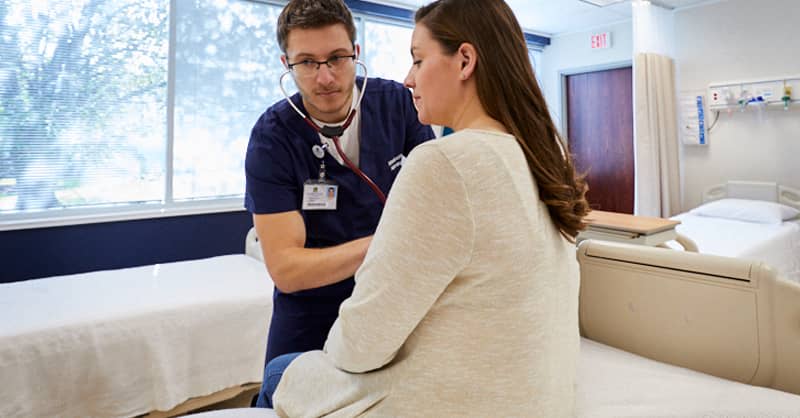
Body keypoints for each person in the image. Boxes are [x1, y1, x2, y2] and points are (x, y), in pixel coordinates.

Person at [262, 0, 589, 416]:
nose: (409, 78)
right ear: (287, 64)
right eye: (306, 63)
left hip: (443, 395)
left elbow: (359, 347)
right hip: (537, 394)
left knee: (279, 374)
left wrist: (393, 251)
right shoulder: (539, 156)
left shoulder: (443, 160)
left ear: (465, 60)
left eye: (418, 60)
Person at [244, 0, 434, 405]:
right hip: (309, 307)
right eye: (307, 63)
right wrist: (387, 244)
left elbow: (434, 207)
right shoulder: (272, 138)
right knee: (282, 395)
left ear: (356, 53)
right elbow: (288, 271)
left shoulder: (399, 106)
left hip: (392, 295)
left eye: (336, 58)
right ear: (286, 63)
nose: (325, 76)